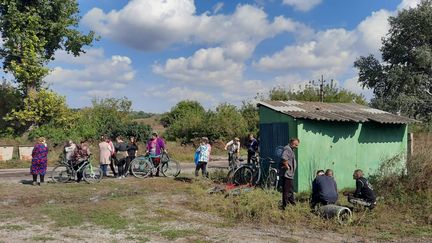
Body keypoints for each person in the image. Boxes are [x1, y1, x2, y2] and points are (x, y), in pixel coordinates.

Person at [279, 138, 300, 209]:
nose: (297, 147)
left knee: (290, 189)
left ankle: (292, 203)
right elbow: (284, 159)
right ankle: (284, 206)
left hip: (289, 174)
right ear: (292, 143)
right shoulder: (287, 149)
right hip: (287, 174)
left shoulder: (290, 149)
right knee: (286, 190)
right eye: (296, 145)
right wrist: (287, 167)